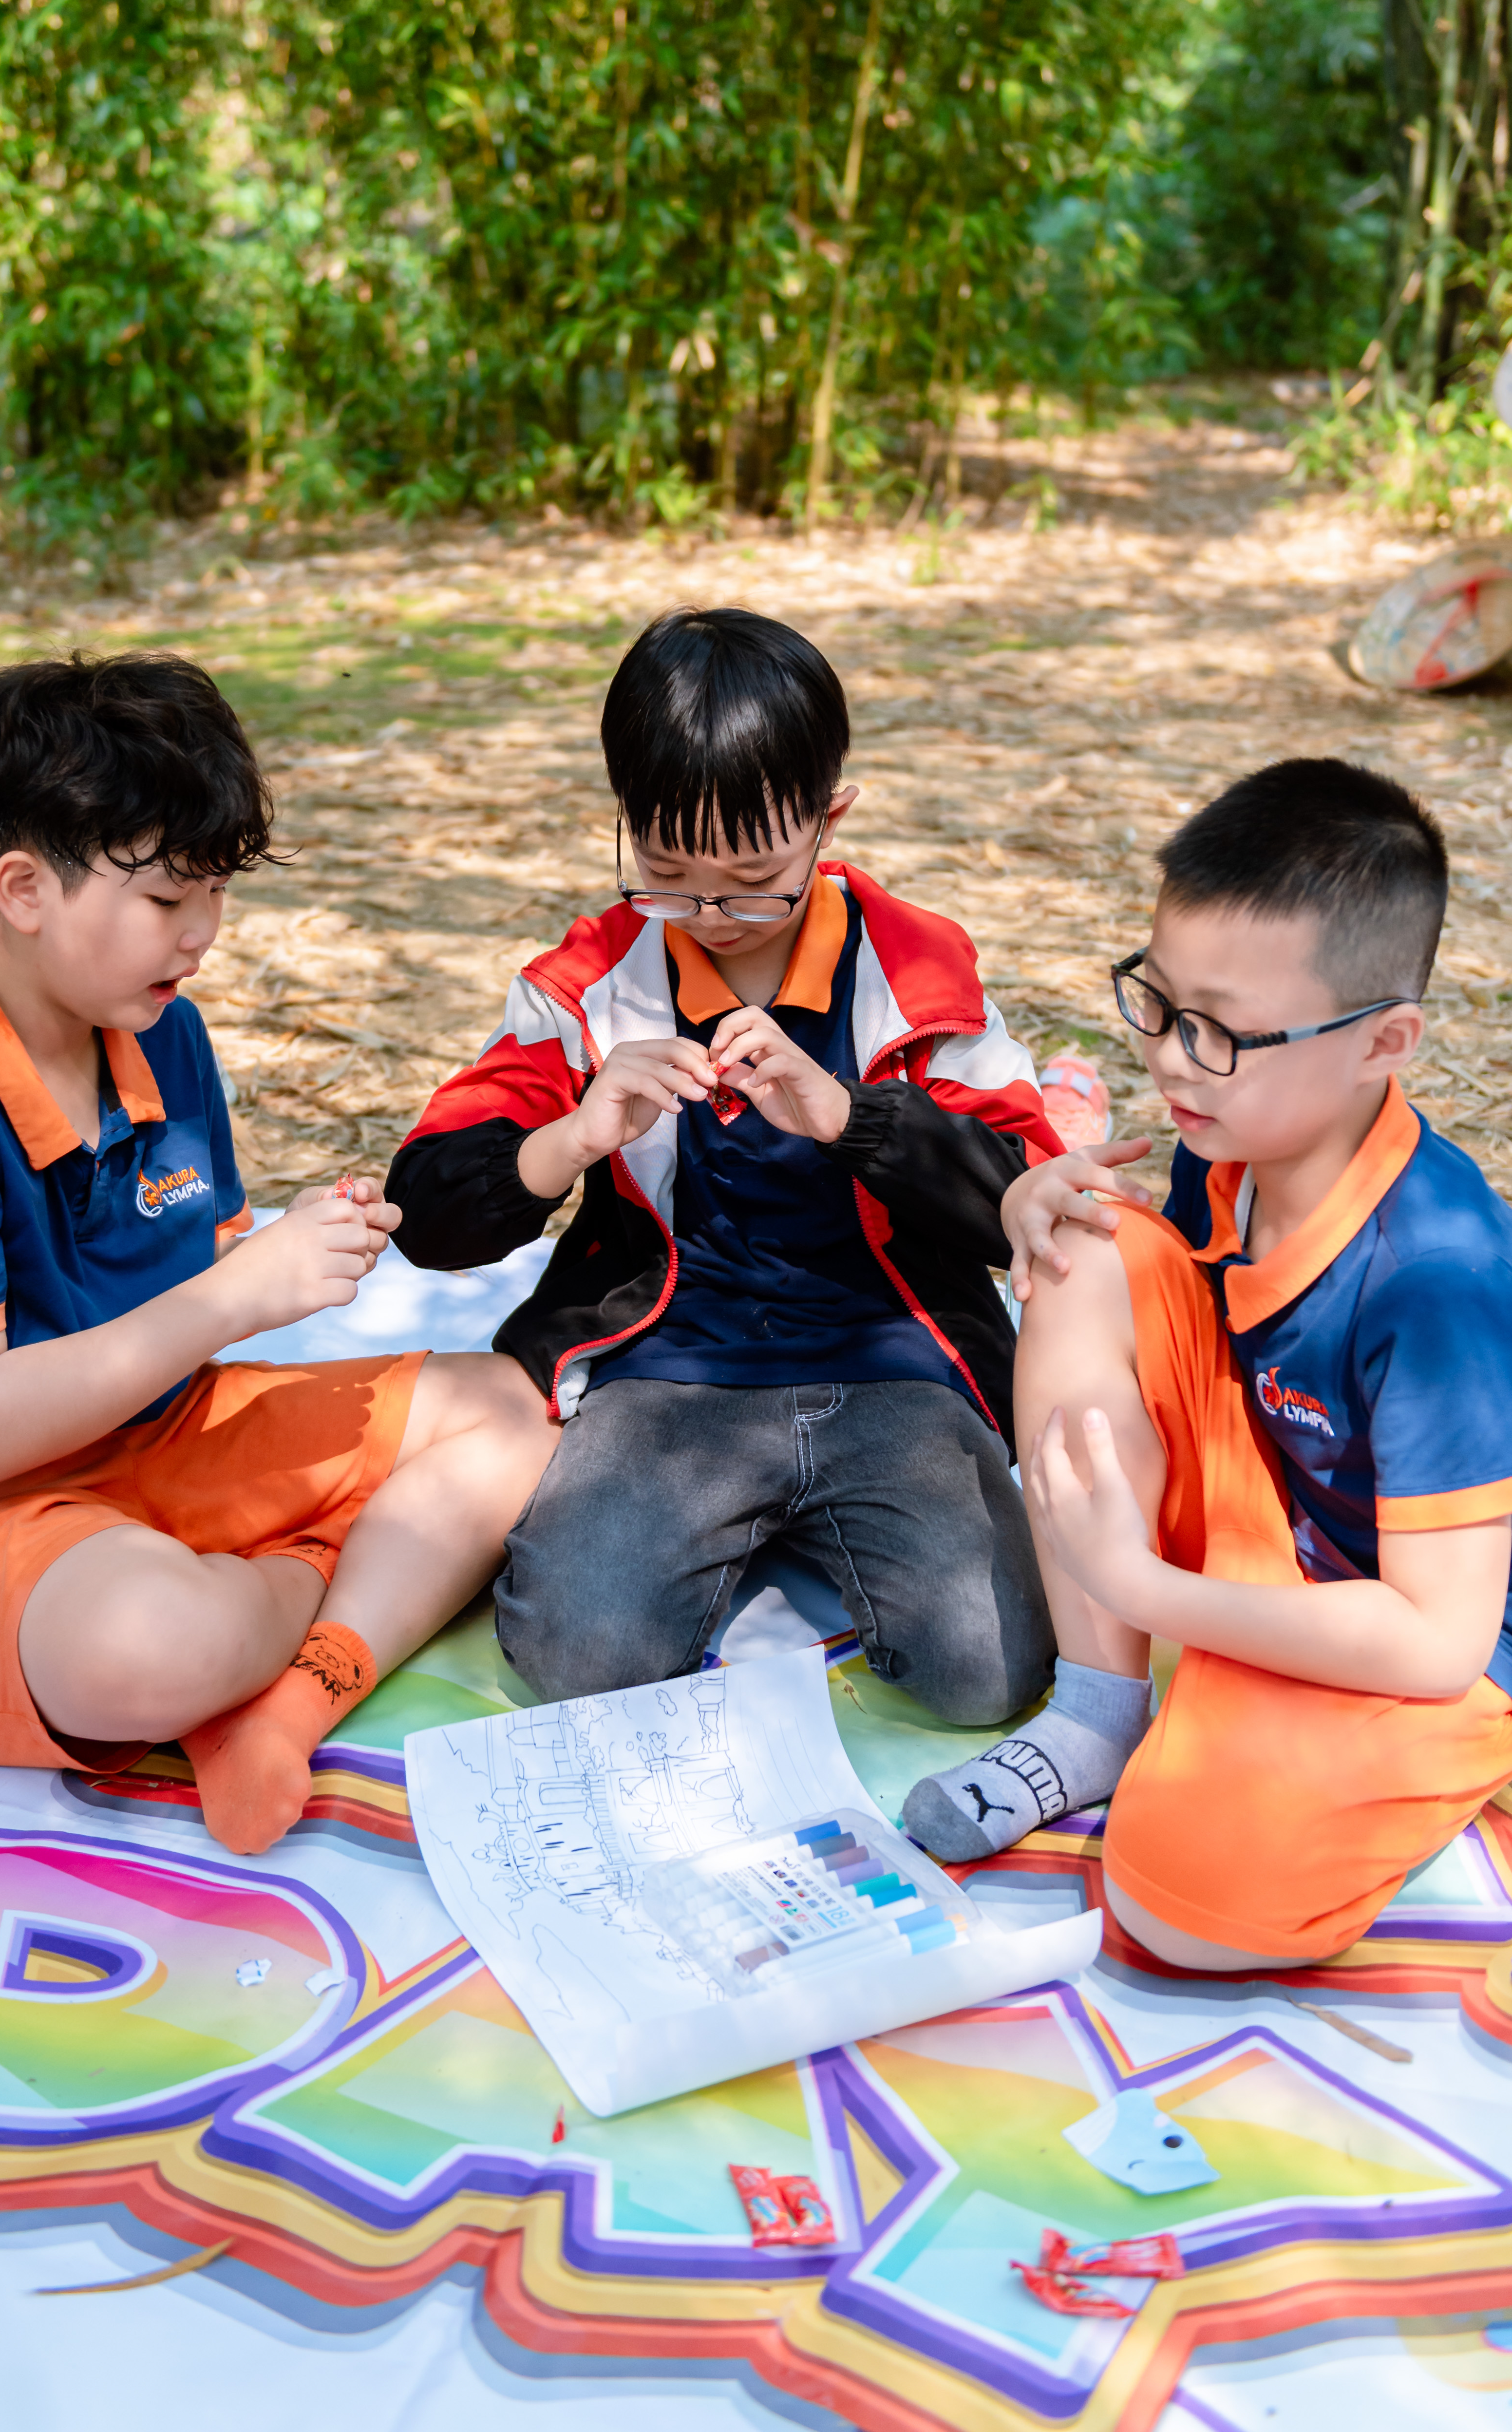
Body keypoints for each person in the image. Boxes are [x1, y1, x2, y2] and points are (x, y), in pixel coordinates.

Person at [0, 653, 556, 1855]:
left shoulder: (160, 1033)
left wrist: (291, 1250)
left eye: (215, 892)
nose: (200, 936)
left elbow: (186, 1275)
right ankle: (327, 1588)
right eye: (164, 899)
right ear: (24, 889)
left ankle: (289, 1703)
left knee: (510, 1412)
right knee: (150, 1648)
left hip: (157, 1433)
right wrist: (236, 1298)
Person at [387, 606, 1129, 1720]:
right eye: (666, 873)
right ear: (625, 821)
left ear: (829, 818)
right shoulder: (587, 987)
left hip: (892, 1368)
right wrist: (573, 1135)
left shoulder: (914, 974)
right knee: (575, 1657)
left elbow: (1019, 1196)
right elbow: (425, 1211)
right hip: (666, 1380)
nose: (712, 914)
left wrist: (849, 1115)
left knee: (990, 1667)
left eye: (752, 878)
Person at [906, 757, 1512, 1971]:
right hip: (1280, 1530)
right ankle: (1098, 1713)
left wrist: (1144, 1588)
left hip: (1432, 1634)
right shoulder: (1233, 1145)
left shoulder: (1438, 1278)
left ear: (1385, 1042)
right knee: (1082, 1239)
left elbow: (1440, 1640)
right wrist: (1029, 1199)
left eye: (1224, 1032)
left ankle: (1256, 1723)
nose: (1175, 1060)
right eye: (1160, 1002)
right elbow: (1165, 1305)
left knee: (1183, 1903)